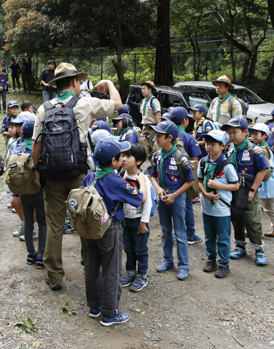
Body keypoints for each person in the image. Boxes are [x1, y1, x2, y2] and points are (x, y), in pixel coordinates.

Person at [32, 63, 122, 291]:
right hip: (79, 174)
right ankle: (88, 265)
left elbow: (37, 145)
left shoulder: (43, 108)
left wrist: (37, 170)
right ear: (74, 82)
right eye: (79, 81)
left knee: (54, 225)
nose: (80, 84)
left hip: (51, 174)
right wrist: (109, 83)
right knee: (85, 220)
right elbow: (118, 105)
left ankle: (54, 276)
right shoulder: (84, 103)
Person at [82, 139, 142, 327]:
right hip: (110, 228)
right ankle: (110, 313)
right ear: (114, 162)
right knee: (112, 269)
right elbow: (138, 198)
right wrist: (140, 182)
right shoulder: (116, 181)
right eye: (121, 157)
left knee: (91, 267)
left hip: (89, 229)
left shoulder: (89, 177)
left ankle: (95, 307)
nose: (123, 159)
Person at [147, 121, 195, 281]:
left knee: (180, 233)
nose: (156, 138)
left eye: (159, 136)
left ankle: (183, 266)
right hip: (162, 196)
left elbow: (190, 181)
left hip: (177, 197)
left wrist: (175, 195)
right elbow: (152, 174)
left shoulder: (181, 157)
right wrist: (158, 188)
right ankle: (168, 260)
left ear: (169, 138)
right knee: (166, 231)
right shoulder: (157, 156)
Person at [222, 117, 270, 266]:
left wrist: (252, 190)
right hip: (234, 190)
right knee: (236, 218)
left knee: (251, 219)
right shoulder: (230, 149)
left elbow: (263, 171)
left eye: (235, 132)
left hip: (248, 190)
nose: (231, 135)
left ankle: (259, 250)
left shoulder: (254, 150)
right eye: (229, 132)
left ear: (245, 132)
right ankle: (240, 246)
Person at [198, 130, 239, 278]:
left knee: (223, 236)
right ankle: (211, 259)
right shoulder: (203, 162)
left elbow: (236, 185)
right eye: (207, 143)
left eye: (213, 144)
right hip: (206, 207)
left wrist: (218, 185)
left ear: (223, 146)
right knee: (209, 235)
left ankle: (224, 263)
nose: (209, 147)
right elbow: (200, 180)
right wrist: (205, 193)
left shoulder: (227, 166)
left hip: (222, 209)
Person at [13, 119, 46, 268]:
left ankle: (30, 253)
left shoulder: (17, 148)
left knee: (28, 221)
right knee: (43, 222)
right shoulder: (37, 149)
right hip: (37, 190)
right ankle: (41, 255)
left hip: (22, 191)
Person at [119, 143, 151, 292]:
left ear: (138, 161)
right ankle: (130, 272)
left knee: (140, 249)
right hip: (125, 221)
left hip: (139, 221)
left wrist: (143, 223)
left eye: (128, 156)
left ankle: (141, 275)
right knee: (129, 248)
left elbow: (148, 203)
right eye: (123, 156)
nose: (124, 159)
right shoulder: (121, 176)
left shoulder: (142, 179)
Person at [169, 107, 203, 244]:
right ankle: (190, 233)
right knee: (187, 204)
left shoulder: (168, 136)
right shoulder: (189, 138)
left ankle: (175, 233)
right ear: (185, 121)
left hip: (170, 177)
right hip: (186, 177)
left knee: (173, 205)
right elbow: (195, 160)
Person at [249, 123, 274, 238]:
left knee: (257, 207)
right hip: (270, 183)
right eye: (252, 134)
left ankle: (256, 230)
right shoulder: (268, 148)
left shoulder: (261, 150)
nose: (253, 136)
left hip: (264, 183)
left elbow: (265, 170)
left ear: (265, 135)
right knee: (270, 207)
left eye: (256, 134)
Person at [139, 81, 161, 145]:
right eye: (142, 89)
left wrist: (158, 130)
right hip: (144, 126)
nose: (142, 91)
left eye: (144, 89)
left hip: (152, 127)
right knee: (143, 144)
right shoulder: (144, 101)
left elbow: (158, 115)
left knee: (152, 145)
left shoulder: (154, 101)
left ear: (150, 89)